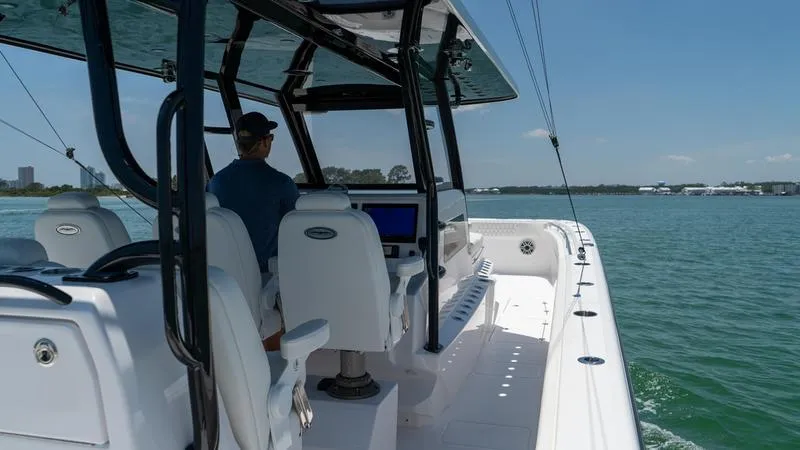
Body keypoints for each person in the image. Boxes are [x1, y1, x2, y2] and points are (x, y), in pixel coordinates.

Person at [207, 111, 300, 274]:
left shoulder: (216, 182)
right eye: (271, 138)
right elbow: (296, 230)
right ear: (264, 141)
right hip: (267, 276)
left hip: (225, 277)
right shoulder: (281, 183)